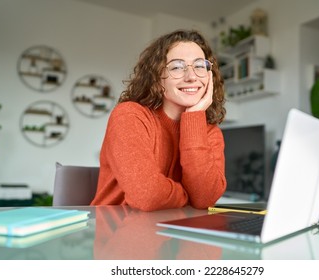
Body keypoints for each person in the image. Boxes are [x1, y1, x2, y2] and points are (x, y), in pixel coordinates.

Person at [90, 29, 227, 211]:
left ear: (210, 75)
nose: (191, 76)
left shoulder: (210, 132)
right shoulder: (129, 116)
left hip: (175, 231)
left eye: (200, 66)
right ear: (157, 77)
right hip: (119, 232)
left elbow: (204, 199)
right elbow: (148, 196)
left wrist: (194, 117)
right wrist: (186, 196)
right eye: (177, 67)